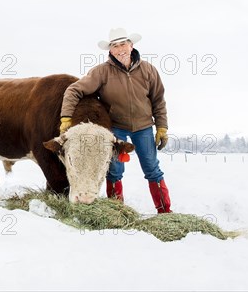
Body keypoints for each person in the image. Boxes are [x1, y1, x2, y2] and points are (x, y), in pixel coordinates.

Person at [59, 28, 172, 213]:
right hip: (115, 130)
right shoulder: (101, 72)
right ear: (110, 50)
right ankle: (116, 211)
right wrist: (66, 118)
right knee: (114, 171)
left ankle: (165, 211)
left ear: (131, 45)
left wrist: (162, 127)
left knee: (152, 169)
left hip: (143, 128)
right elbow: (73, 90)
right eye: (115, 46)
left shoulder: (148, 70)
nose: (120, 49)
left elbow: (158, 100)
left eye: (123, 44)